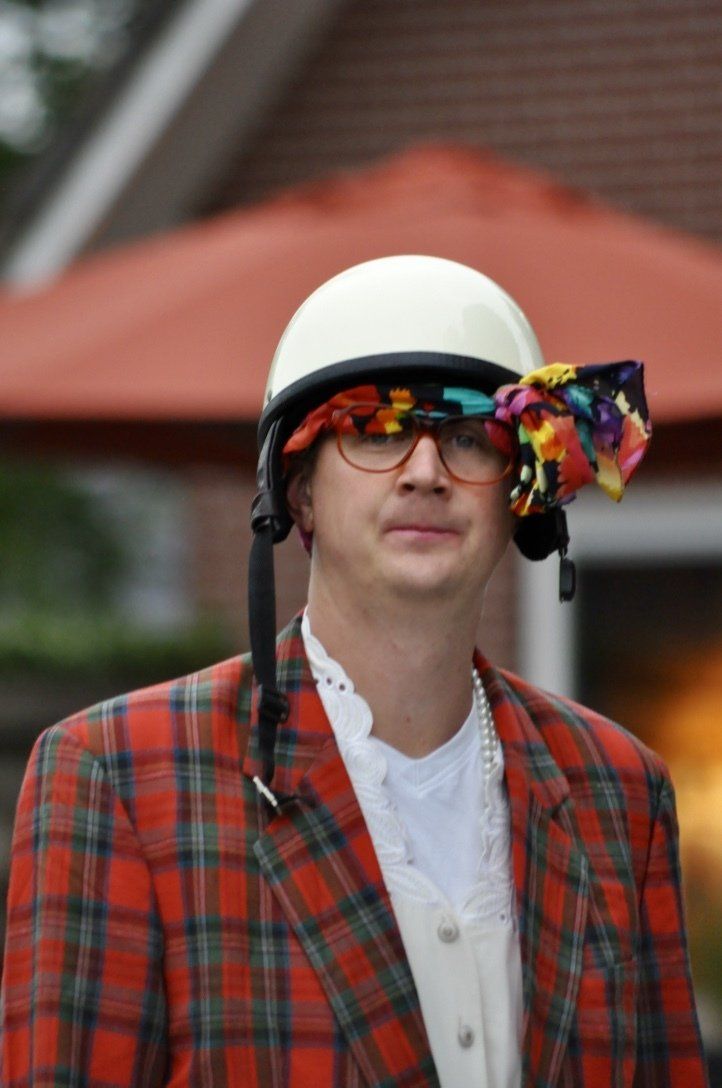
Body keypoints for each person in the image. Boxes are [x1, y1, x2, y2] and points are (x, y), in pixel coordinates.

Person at [0, 255, 708, 1087]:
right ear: (298, 492)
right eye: (376, 431)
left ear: (521, 494)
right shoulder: (118, 775)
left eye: (469, 439)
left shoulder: (619, 789)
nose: (425, 472)